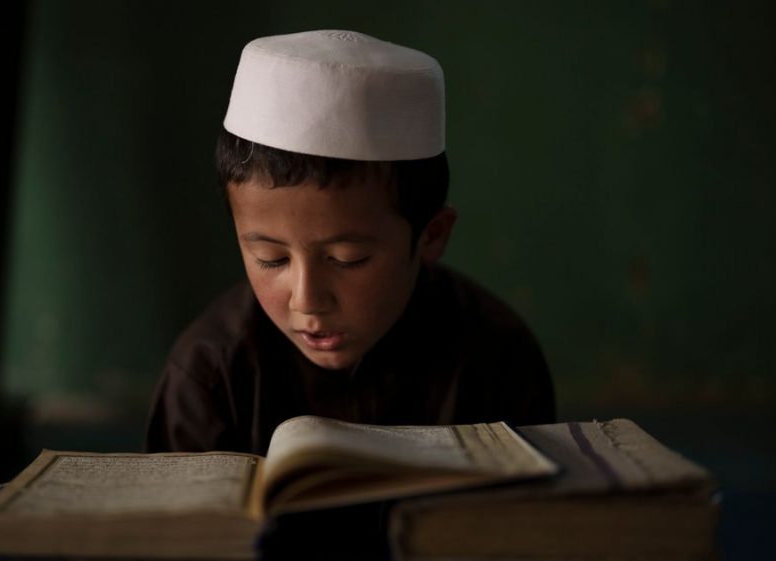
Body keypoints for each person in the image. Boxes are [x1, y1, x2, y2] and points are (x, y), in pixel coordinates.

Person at [145, 29, 554, 457]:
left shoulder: (496, 356)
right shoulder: (210, 375)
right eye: (271, 258)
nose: (307, 301)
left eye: (347, 259)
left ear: (431, 235)